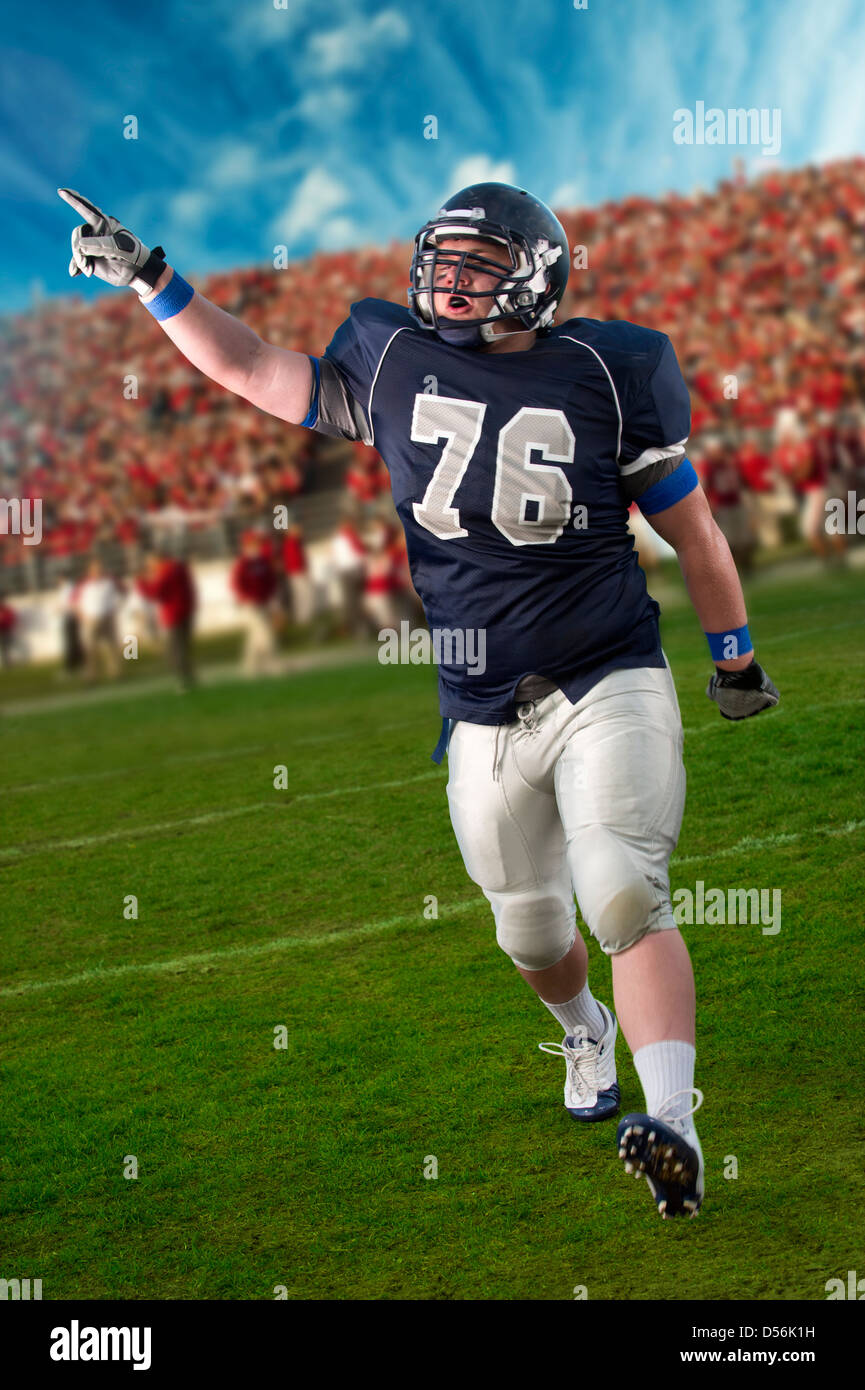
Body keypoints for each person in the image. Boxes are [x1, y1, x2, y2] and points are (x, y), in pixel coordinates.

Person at [59, 182, 781, 1220]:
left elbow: (696, 533)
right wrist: (153, 279)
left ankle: (674, 1122)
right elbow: (255, 368)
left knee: (624, 891)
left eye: (479, 263)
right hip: (478, 700)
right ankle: (584, 1031)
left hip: (604, 667)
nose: (450, 278)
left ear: (535, 275)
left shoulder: (611, 370)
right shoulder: (390, 353)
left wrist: (733, 656)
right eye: (442, 259)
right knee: (530, 933)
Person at [135, 548, 197, 689]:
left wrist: (140, 582)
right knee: (183, 647)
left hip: (174, 613)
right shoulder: (178, 567)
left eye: (151, 562)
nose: (150, 566)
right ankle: (189, 677)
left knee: (175, 649)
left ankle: (184, 679)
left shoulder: (167, 571)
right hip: (186, 610)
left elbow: (155, 592)